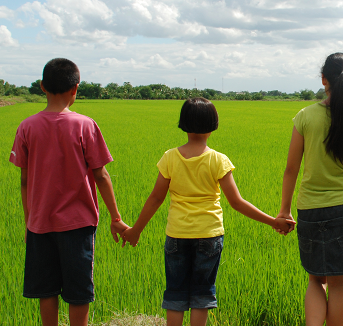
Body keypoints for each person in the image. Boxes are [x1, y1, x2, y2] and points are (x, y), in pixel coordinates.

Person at [121, 98, 294, 326]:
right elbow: (237, 202)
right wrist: (273, 221)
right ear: (214, 125)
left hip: (177, 235)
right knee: (202, 296)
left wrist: (135, 230)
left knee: (175, 293)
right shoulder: (218, 160)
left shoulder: (170, 157)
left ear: (182, 124)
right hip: (209, 236)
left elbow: (155, 198)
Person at [10, 58, 128, 326]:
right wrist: (116, 217)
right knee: (78, 293)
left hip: (40, 224)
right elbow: (101, 174)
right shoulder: (85, 125)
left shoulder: (27, 127)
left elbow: (25, 181)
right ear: (76, 88)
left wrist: (29, 222)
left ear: (42, 86)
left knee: (46, 290)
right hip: (78, 224)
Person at [276, 52, 343, 326]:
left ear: (324, 80)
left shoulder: (305, 117)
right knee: (338, 285)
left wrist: (284, 210)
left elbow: (291, 169)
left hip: (310, 210)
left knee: (316, 278)